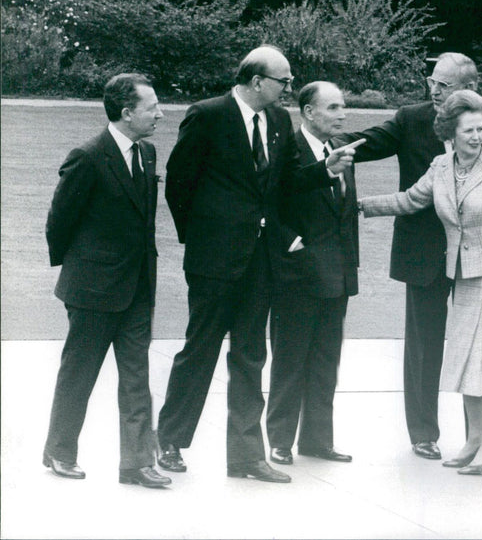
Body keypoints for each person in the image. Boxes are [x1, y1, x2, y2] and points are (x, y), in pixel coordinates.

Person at [156, 46, 358, 483]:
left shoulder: (279, 122)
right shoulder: (208, 115)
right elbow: (179, 184)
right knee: (201, 349)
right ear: (256, 81)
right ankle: (169, 440)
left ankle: (246, 457)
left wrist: (326, 168)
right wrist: (203, 238)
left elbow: (284, 184)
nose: (289, 88)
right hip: (214, 262)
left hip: (262, 262)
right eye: (284, 81)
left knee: (250, 355)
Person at [334, 52, 482, 460]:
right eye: (432, 81)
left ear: (470, 87)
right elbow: (374, 147)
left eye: (443, 85)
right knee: (424, 345)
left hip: (478, 261)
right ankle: (423, 432)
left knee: (480, 348)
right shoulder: (411, 118)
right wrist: (323, 142)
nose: (433, 90)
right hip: (423, 252)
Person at [359, 90, 482, 475]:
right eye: (468, 130)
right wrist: (361, 205)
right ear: (449, 132)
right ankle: (474, 441)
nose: (476, 136)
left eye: (480, 128)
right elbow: (409, 200)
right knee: (467, 359)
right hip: (463, 276)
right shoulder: (440, 166)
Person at [43, 73, 171, 488]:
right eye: (152, 107)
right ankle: (60, 452)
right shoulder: (88, 156)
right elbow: (59, 222)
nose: (160, 114)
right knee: (80, 374)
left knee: (136, 377)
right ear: (127, 112)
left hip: (136, 288)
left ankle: (136, 464)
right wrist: (82, 271)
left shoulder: (147, 153)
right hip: (92, 290)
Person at [267, 82, 358, 466]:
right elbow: (271, 203)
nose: (342, 114)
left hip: (336, 275)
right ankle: (280, 440)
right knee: (290, 359)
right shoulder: (288, 150)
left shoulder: (341, 153)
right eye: (333, 107)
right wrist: (290, 243)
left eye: (343, 107)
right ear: (308, 112)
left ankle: (318, 440)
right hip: (297, 275)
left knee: (325, 360)